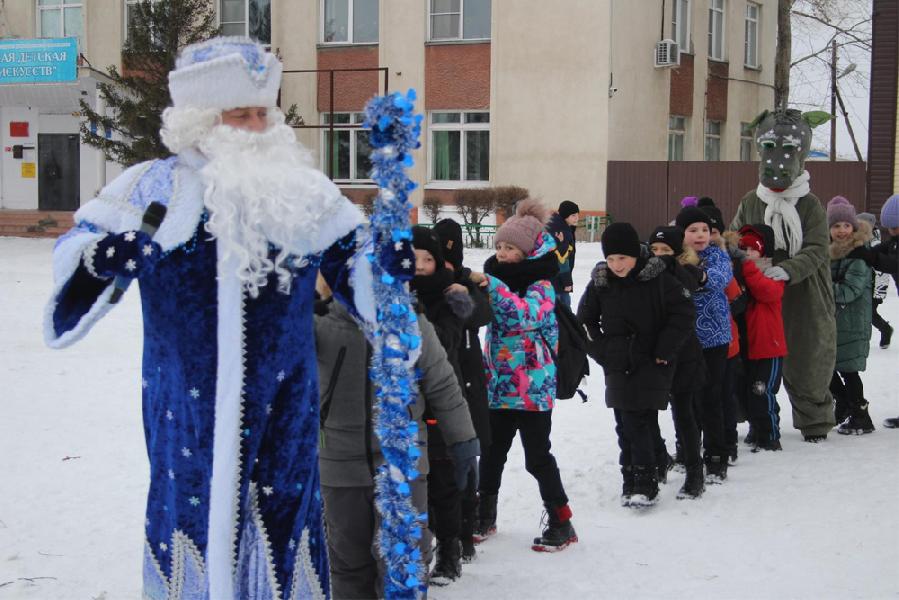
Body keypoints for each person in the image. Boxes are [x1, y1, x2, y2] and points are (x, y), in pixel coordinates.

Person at [43, 38, 415, 598]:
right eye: (239, 113)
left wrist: (383, 266)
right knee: (189, 517)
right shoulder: (152, 186)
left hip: (286, 404)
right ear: (201, 119)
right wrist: (101, 258)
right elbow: (78, 250)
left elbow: (353, 262)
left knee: (284, 515)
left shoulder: (303, 193)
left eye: (262, 112)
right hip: (183, 405)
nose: (255, 125)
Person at [314, 276, 477, 598]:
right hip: (338, 462)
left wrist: (463, 443)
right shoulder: (318, 325)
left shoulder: (409, 323)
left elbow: (443, 385)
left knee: (405, 559)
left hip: (402, 461)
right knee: (347, 560)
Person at [468, 199, 577, 552]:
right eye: (499, 246)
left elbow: (523, 316)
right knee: (492, 452)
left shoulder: (542, 284)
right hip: (498, 386)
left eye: (510, 247)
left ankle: (562, 521)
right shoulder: (497, 280)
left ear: (527, 251)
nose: (502, 253)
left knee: (537, 457)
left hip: (533, 390)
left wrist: (491, 288)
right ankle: (485, 515)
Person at [730, 108, 837, 443]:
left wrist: (787, 270)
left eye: (789, 150)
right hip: (759, 295)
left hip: (803, 293)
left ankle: (814, 421)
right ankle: (760, 418)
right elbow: (734, 237)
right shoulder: (751, 201)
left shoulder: (810, 205)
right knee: (756, 357)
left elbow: (817, 248)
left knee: (809, 355)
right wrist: (744, 261)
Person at [579, 223, 695, 507]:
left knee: (638, 421)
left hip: (651, 359)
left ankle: (644, 482)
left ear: (635, 255)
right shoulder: (601, 283)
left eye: (623, 258)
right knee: (624, 422)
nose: (617, 265)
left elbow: (683, 312)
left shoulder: (657, 278)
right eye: (611, 258)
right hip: (617, 360)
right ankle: (632, 476)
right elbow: (584, 319)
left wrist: (664, 348)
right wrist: (603, 350)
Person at [409, 225, 481, 585]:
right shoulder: (389, 293)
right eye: (413, 258)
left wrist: (412, 314)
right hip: (403, 408)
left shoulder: (451, 298)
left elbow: (443, 341)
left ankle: (450, 551)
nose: (420, 265)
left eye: (427, 259)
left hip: (439, 402)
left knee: (442, 483)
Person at [431, 218, 493, 562]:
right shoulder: (424, 287)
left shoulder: (466, 287)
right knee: (441, 465)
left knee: (466, 462)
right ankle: (446, 535)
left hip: (467, 384)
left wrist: (462, 284)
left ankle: (467, 528)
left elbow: (480, 314)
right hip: (440, 387)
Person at [647, 226, 706, 499]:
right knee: (647, 412)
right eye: (654, 250)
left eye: (666, 251)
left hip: (683, 354)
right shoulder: (645, 275)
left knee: (684, 414)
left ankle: (695, 471)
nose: (658, 256)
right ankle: (660, 457)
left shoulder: (686, 273)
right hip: (653, 354)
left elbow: (690, 285)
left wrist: (671, 266)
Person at [676, 206, 733, 483]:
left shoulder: (717, 255)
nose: (700, 235)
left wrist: (700, 276)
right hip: (684, 340)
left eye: (705, 230)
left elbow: (722, 279)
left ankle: (716, 455)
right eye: (692, 230)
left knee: (711, 398)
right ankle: (686, 448)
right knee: (685, 399)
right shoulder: (673, 257)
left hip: (715, 339)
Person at [726, 224, 788, 451]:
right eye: (743, 249)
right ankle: (756, 427)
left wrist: (748, 267)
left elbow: (767, 292)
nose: (748, 254)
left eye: (753, 250)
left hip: (768, 347)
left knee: (762, 391)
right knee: (745, 392)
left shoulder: (771, 273)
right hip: (745, 346)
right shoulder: (737, 274)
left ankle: (770, 435)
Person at [827, 197, 875, 435]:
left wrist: (822, 287)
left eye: (846, 225)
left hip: (853, 323)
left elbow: (849, 291)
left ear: (854, 227)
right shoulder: (830, 253)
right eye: (836, 226)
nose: (842, 231)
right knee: (826, 368)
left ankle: (860, 414)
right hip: (835, 322)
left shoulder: (859, 255)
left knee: (848, 370)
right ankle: (844, 403)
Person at [857, 212, 893, 349]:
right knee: (866, 313)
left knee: (869, 314)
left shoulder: (875, 243)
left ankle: (885, 330)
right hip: (864, 285)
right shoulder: (863, 241)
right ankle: (884, 330)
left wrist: (879, 291)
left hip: (874, 287)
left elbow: (882, 271)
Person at [878, 195, 899, 429]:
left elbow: (892, 263)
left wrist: (871, 257)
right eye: (889, 228)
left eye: (895, 226)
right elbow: (879, 252)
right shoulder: (893, 240)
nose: (891, 231)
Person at [546, 201, 581, 307]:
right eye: (573, 215)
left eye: (577, 215)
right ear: (565, 216)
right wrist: (567, 282)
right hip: (558, 281)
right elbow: (561, 259)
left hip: (552, 279)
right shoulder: (562, 231)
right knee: (564, 315)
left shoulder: (556, 226)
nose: (577, 218)